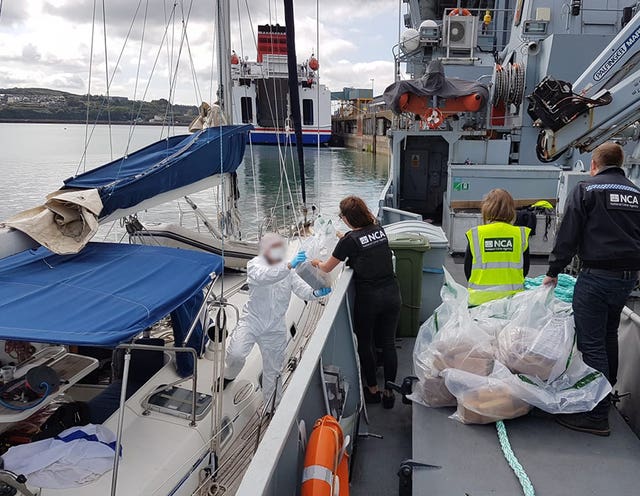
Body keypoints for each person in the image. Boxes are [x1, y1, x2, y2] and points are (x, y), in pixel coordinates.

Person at [543, 142, 640, 436]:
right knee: (609, 336)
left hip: (597, 276)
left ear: (595, 164)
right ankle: (606, 398)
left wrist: (553, 271)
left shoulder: (587, 189)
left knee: (592, 344)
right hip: (627, 278)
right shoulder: (637, 194)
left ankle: (596, 415)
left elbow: (568, 233)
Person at [311, 196, 401, 409]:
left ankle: (372, 390)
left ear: (347, 217)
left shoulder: (349, 241)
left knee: (367, 344)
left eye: (341, 216)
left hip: (369, 298)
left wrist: (314, 261)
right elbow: (363, 242)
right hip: (391, 293)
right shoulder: (378, 229)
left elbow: (326, 267)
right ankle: (389, 392)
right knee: (388, 343)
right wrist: (345, 237)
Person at [224, 233, 331, 406]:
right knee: (236, 355)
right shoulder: (254, 265)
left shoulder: (288, 270)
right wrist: (290, 265)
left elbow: (302, 289)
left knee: (273, 371)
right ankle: (229, 376)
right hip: (252, 321)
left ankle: (271, 407)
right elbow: (266, 277)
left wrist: (315, 293)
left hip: (275, 327)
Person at [464, 188, 530, 306]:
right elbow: (525, 269)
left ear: (486, 208)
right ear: (511, 209)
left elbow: (468, 270)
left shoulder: (476, 234)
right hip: (511, 301)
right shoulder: (520, 235)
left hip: (479, 301)